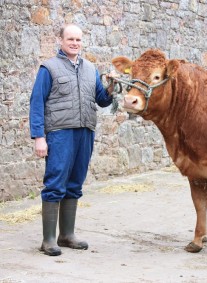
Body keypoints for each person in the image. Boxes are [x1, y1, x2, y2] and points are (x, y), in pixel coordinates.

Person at [29, 23, 116, 256]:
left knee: (75, 183)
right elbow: (36, 103)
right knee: (55, 182)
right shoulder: (49, 68)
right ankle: (48, 240)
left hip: (85, 132)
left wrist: (111, 87)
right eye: (70, 39)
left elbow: (102, 100)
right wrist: (39, 137)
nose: (74, 43)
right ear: (61, 40)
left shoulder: (90, 68)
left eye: (78, 40)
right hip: (59, 133)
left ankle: (66, 235)